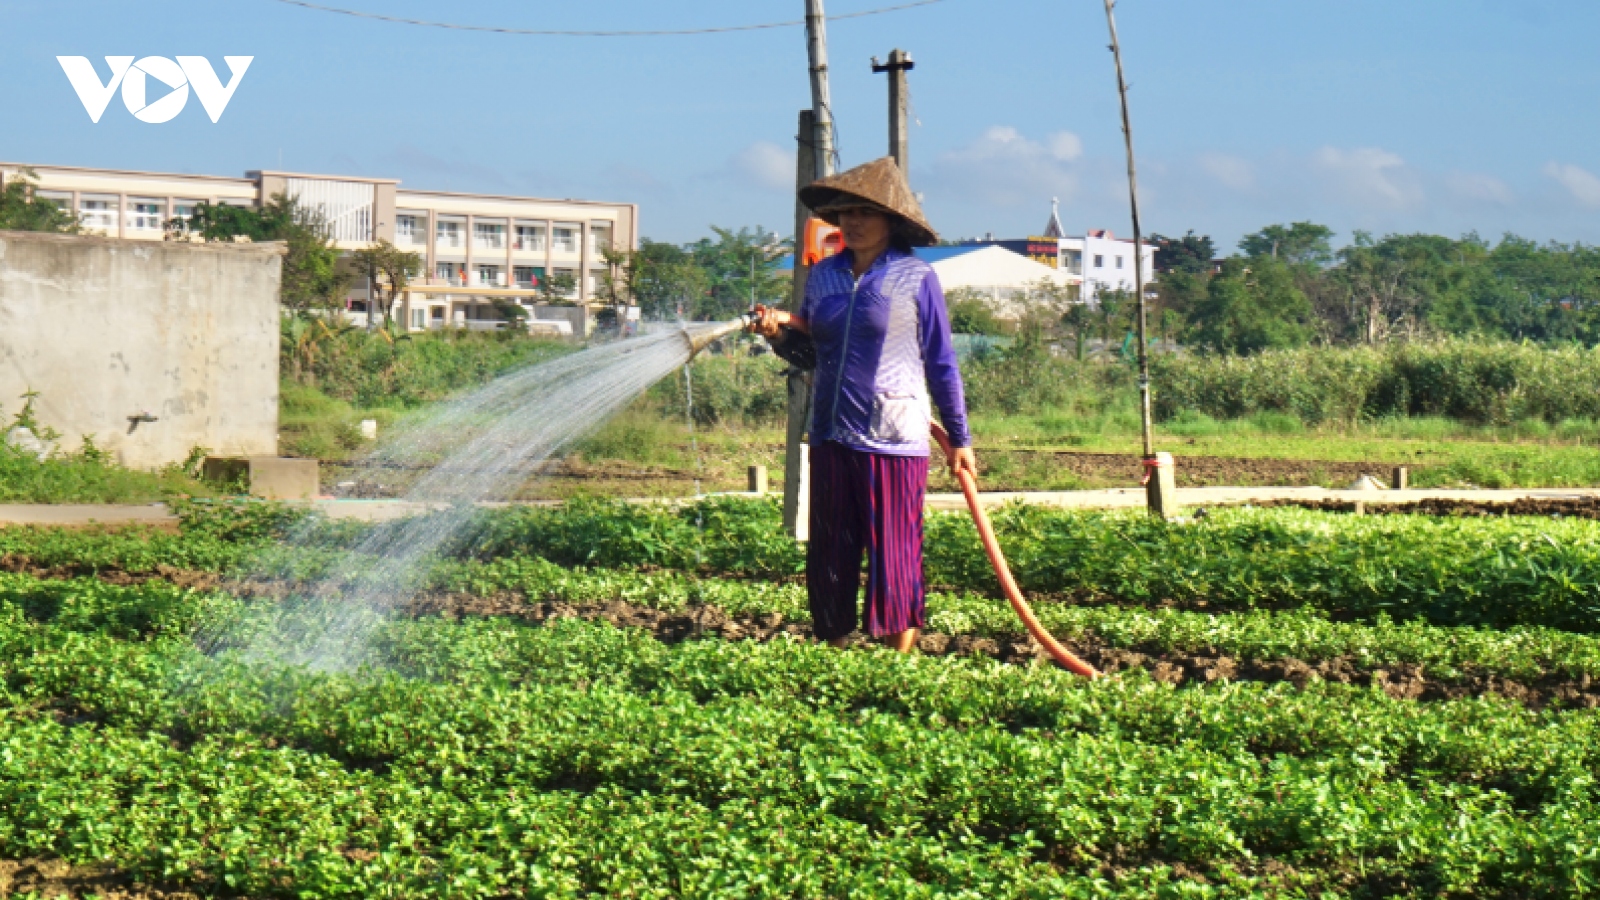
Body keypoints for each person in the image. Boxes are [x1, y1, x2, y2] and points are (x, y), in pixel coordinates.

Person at [748, 157, 976, 653]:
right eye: (845, 212)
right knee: (830, 549)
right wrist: (776, 336)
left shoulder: (915, 278)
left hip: (894, 438)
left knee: (894, 550)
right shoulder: (824, 277)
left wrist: (960, 437)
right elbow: (811, 353)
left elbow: (941, 361)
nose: (851, 221)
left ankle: (899, 657)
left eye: (864, 212)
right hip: (830, 433)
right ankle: (835, 647)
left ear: (891, 220)